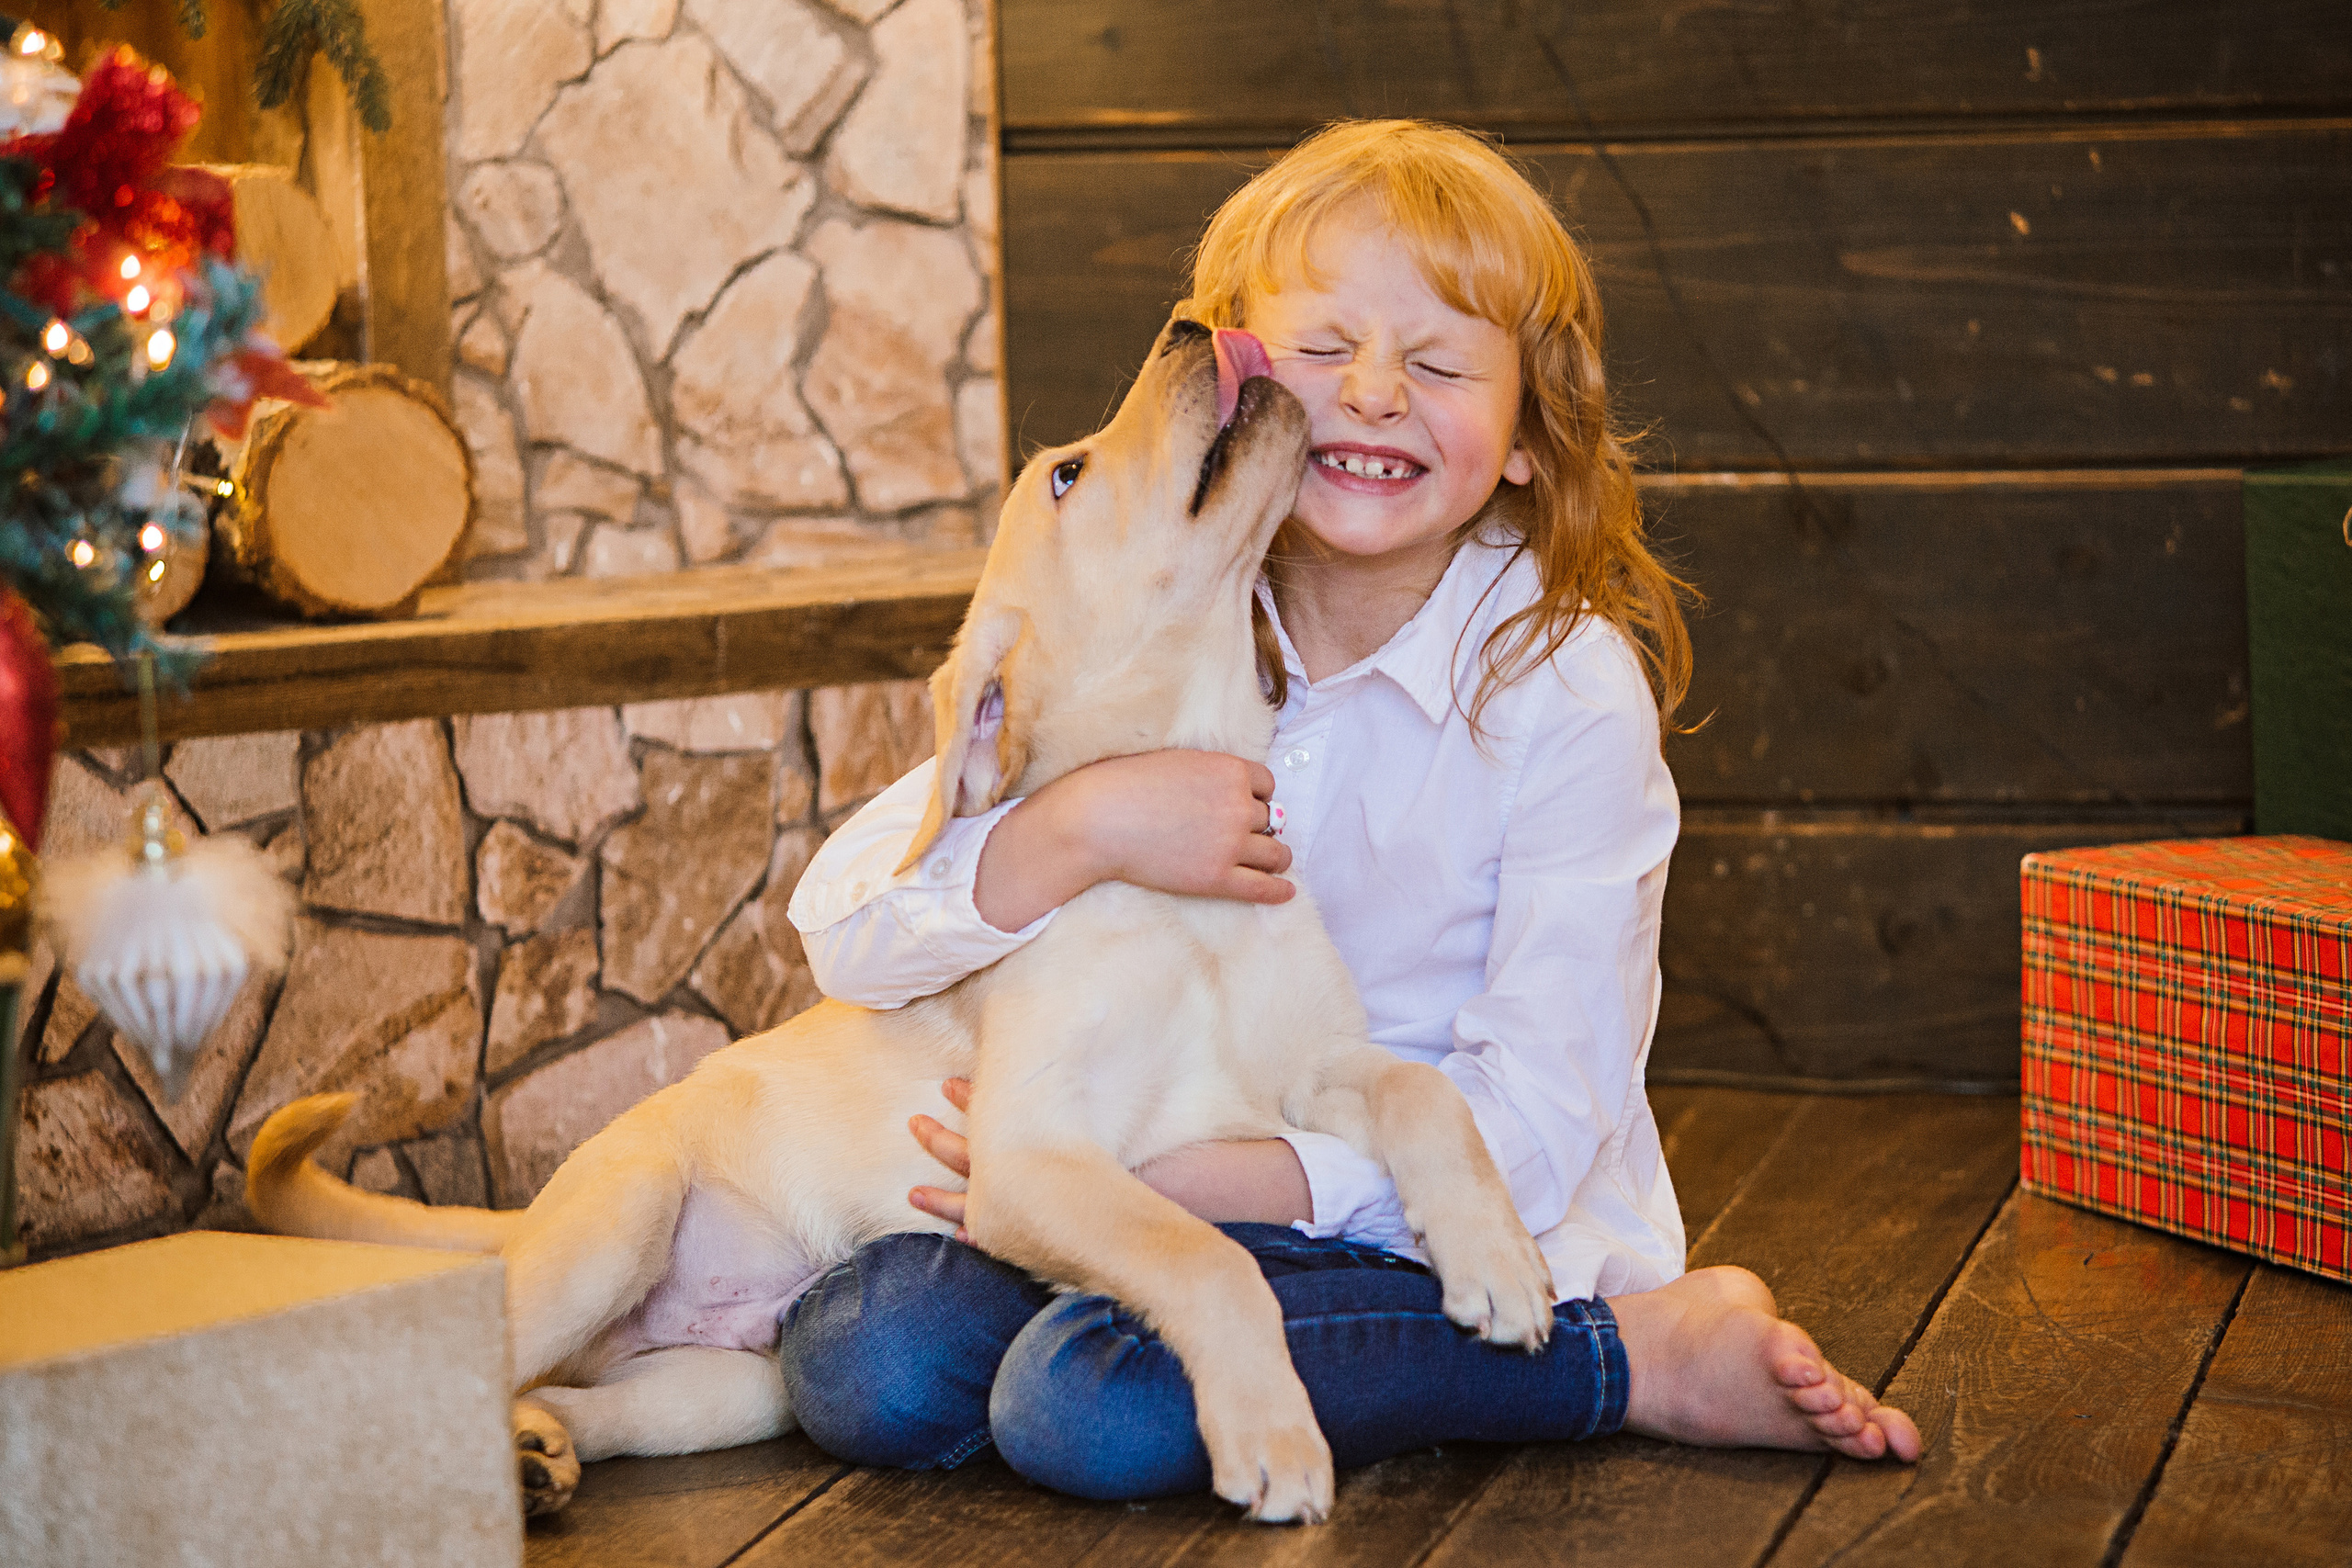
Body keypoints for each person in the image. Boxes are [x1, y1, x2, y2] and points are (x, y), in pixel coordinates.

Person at [780, 119, 1920, 1502]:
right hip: (1163, 1196)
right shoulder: (1173, 614)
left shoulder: (1564, 693)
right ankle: (1199, 1345)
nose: (1376, 393)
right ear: (1246, 379)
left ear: (1523, 441)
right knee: (866, 1350)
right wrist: (1072, 828)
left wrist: (1212, 1185)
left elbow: (1547, 1122)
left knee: (1093, 1403)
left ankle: (1633, 1356)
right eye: (1325, 352)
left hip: (1440, 1220)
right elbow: (844, 926)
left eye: (1440, 365)